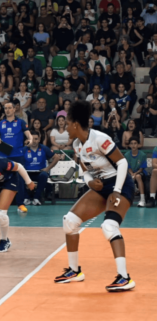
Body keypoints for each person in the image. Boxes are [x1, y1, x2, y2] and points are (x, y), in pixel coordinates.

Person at [54, 100, 136, 292]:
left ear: (75, 124)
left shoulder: (99, 138)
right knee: (70, 221)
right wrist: (89, 182)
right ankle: (74, 271)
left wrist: (116, 190)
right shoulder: (76, 144)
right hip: (100, 186)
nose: (65, 128)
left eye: (67, 124)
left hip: (120, 183)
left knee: (109, 226)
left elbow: (122, 163)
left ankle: (124, 277)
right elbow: (85, 171)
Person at [0, 102, 32, 213]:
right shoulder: (0, 123)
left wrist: (30, 140)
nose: (7, 110)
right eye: (5, 108)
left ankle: (21, 204)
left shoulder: (21, 122)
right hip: (3, 155)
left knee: (19, 180)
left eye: (10, 108)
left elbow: (29, 135)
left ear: (14, 109)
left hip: (17, 155)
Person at [24, 131, 60, 206]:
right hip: (27, 173)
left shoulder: (44, 148)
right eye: (32, 139)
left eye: (36, 139)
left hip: (39, 172)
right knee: (18, 175)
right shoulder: (24, 149)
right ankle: (26, 198)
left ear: (39, 139)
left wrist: (47, 168)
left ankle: (36, 198)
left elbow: (56, 157)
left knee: (44, 175)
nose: (34, 141)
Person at [124, 137, 148, 207]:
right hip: (131, 173)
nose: (133, 145)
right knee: (125, 177)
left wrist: (134, 174)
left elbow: (141, 169)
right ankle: (128, 199)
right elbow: (129, 168)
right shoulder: (127, 155)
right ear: (129, 145)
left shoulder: (142, 154)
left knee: (138, 176)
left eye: (135, 143)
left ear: (138, 145)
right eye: (131, 143)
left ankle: (142, 200)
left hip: (140, 173)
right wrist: (132, 174)